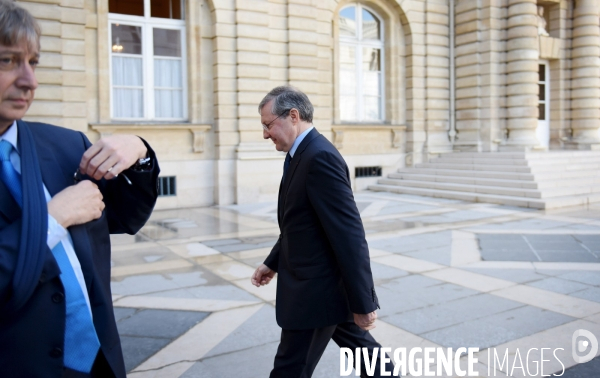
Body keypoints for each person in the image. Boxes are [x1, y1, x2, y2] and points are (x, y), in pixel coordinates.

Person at [0, 1, 159, 377]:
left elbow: (126, 217)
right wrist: (53, 219)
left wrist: (140, 151)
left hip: (100, 360)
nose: (30, 81)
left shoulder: (66, 144)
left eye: (33, 63)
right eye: (8, 61)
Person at [251, 86, 393, 377]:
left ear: (293, 116)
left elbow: (349, 235)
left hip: (315, 293)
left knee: (290, 370)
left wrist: (364, 302)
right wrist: (272, 262)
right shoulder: (299, 154)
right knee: (367, 356)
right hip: (322, 289)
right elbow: (299, 224)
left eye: (268, 125)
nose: (265, 134)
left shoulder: (319, 157)